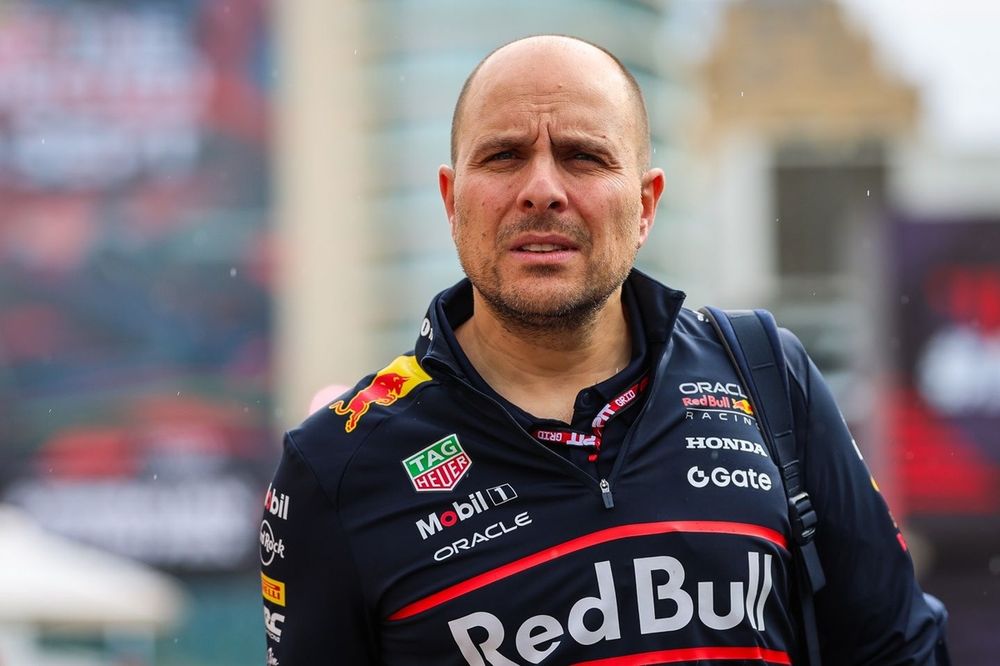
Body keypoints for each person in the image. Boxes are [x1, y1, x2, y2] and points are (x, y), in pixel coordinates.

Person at [260, 35, 942, 665]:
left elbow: (900, 649)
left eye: (584, 156)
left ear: (646, 205)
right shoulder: (336, 466)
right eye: (503, 156)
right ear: (451, 200)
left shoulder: (764, 371)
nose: (542, 191)